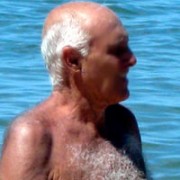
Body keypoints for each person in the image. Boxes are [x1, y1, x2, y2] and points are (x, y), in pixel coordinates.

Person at [0, 1, 148, 179]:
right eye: (117, 50)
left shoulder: (123, 123)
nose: (132, 59)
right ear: (73, 60)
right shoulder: (34, 137)